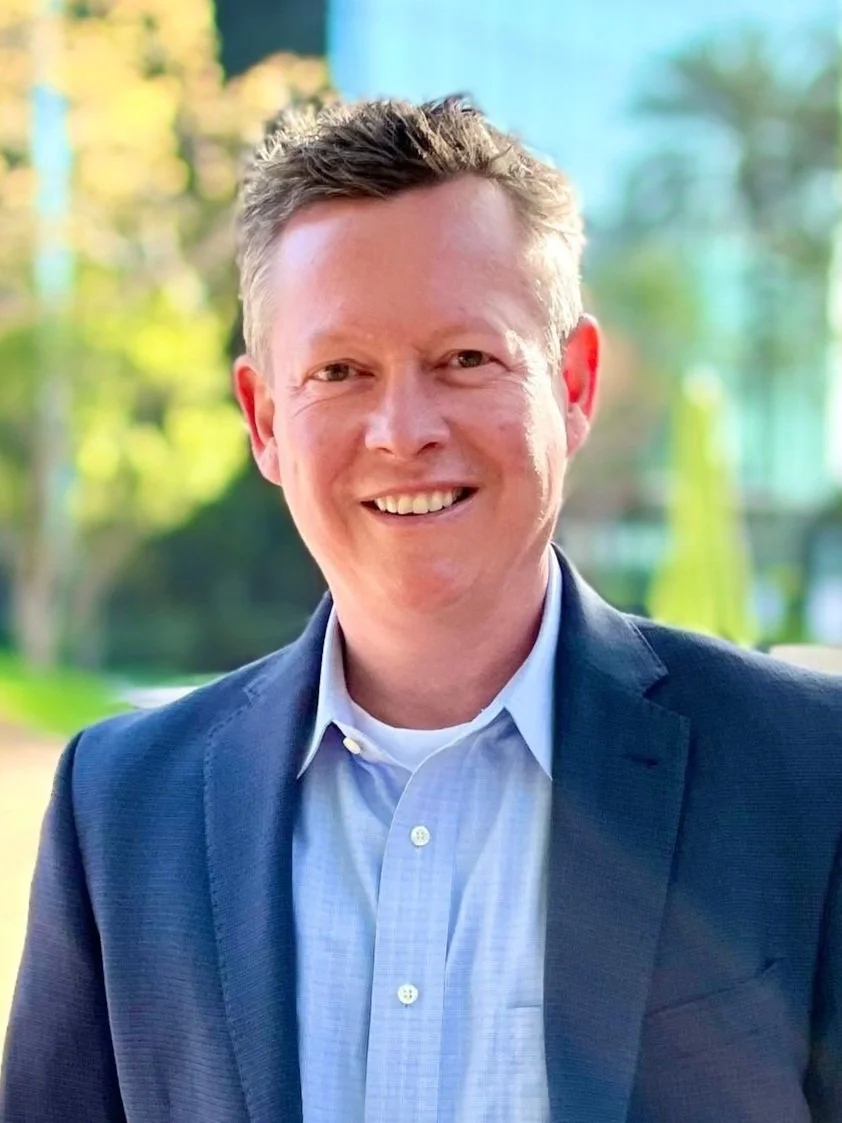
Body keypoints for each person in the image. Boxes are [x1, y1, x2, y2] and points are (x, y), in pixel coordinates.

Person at [2, 95, 841, 1123]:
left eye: (464, 359)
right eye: (340, 371)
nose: (403, 431)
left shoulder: (808, 772)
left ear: (572, 384)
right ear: (265, 419)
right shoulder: (121, 810)